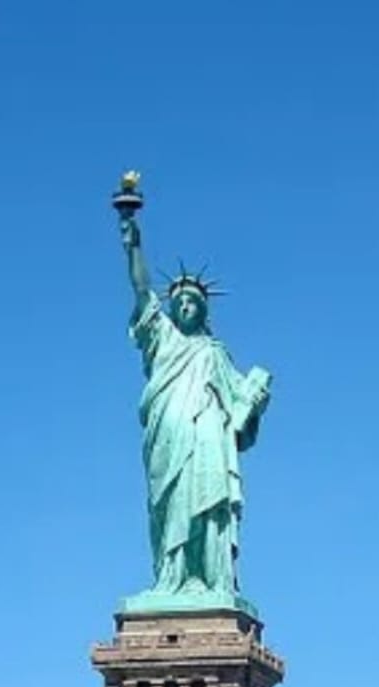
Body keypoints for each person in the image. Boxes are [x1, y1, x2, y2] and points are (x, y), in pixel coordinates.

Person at [119, 210, 271, 604]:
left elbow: (242, 406)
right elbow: (141, 289)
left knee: (209, 505)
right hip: (167, 436)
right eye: (180, 300)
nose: (185, 305)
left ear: (205, 310)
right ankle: (171, 580)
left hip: (207, 438)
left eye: (193, 301)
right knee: (169, 506)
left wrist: (255, 398)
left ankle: (211, 581)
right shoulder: (162, 340)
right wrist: (132, 242)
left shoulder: (215, 354)